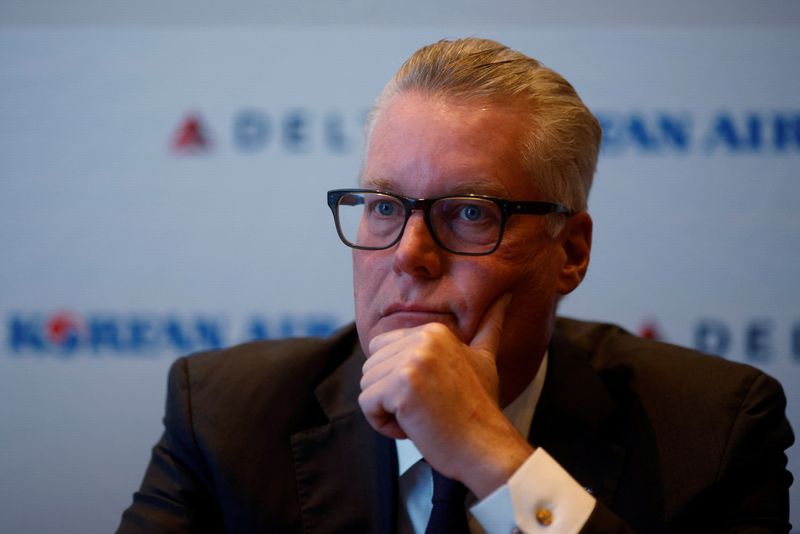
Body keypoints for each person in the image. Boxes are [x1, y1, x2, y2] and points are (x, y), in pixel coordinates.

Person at [117, 38, 794, 533]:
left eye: (470, 213)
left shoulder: (713, 428)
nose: (410, 256)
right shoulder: (227, 416)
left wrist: (493, 459)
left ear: (571, 252)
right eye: (384, 206)